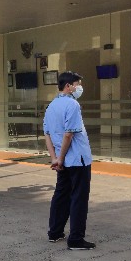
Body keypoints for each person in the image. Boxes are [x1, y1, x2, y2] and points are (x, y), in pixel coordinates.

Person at [43, 71, 95, 250]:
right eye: (77, 84)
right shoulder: (72, 104)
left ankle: (55, 232)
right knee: (79, 198)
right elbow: (69, 134)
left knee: (61, 195)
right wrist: (62, 158)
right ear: (68, 86)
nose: (79, 87)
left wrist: (55, 159)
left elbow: (47, 135)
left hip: (62, 160)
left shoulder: (51, 106)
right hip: (77, 159)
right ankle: (76, 239)